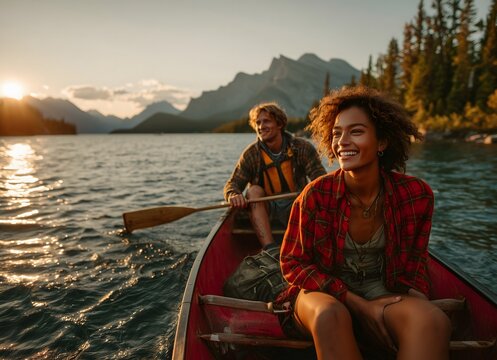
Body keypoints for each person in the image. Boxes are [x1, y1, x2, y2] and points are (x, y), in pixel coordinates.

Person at [277, 86, 451, 359]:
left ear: (382, 142)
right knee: (329, 317)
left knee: (433, 321)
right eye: (336, 133)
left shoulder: (416, 195)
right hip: (322, 292)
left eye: (355, 131)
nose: (342, 141)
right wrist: (354, 302)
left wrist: (416, 302)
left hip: (381, 290)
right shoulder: (316, 195)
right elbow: (292, 263)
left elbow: (416, 262)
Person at [224, 102, 326, 248]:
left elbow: (320, 178)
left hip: (296, 206)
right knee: (253, 191)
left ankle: (301, 244)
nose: (261, 126)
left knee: (313, 189)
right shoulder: (251, 154)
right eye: (258, 123)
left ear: (279, 124)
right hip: (266, 210)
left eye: (266, 121)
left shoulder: (301, 147)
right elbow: (232, 184)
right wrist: (233, 194)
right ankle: (269, 248)